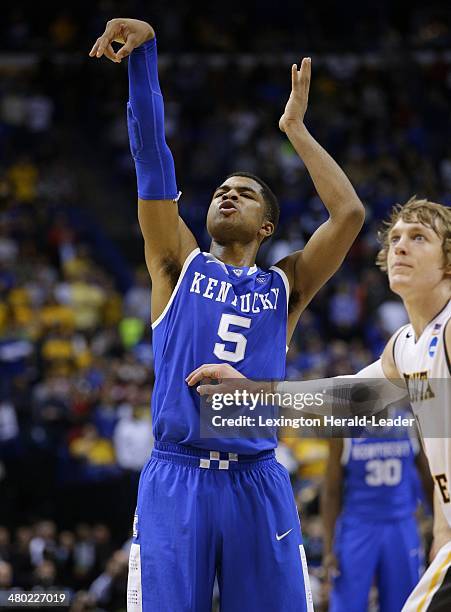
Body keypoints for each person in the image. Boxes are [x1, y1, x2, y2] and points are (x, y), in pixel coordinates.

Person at [89, 17, 365, 612]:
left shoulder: (284, 284)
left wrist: (294, 128)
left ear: (267, 225)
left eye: (243, 192)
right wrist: (144, 60)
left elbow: (347, 215)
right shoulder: (177, 264)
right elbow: (151, 161)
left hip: (256, 477)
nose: (226, 194)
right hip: (176, 475)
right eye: (220, 189)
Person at [189, 198, 451, 610]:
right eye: (396, 237)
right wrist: (250, 388)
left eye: (419, 238)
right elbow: (338, 399)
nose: (401, 246)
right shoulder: (405, 347)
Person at [322, 426, 433, 612]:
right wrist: (328, 550)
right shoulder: (345, 432)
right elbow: (331, 492)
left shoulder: (409, 425)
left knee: (404, 604)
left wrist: (440, 526)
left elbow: (429, 479)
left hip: (400, 526)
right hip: (358, 526)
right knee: (347, 604)